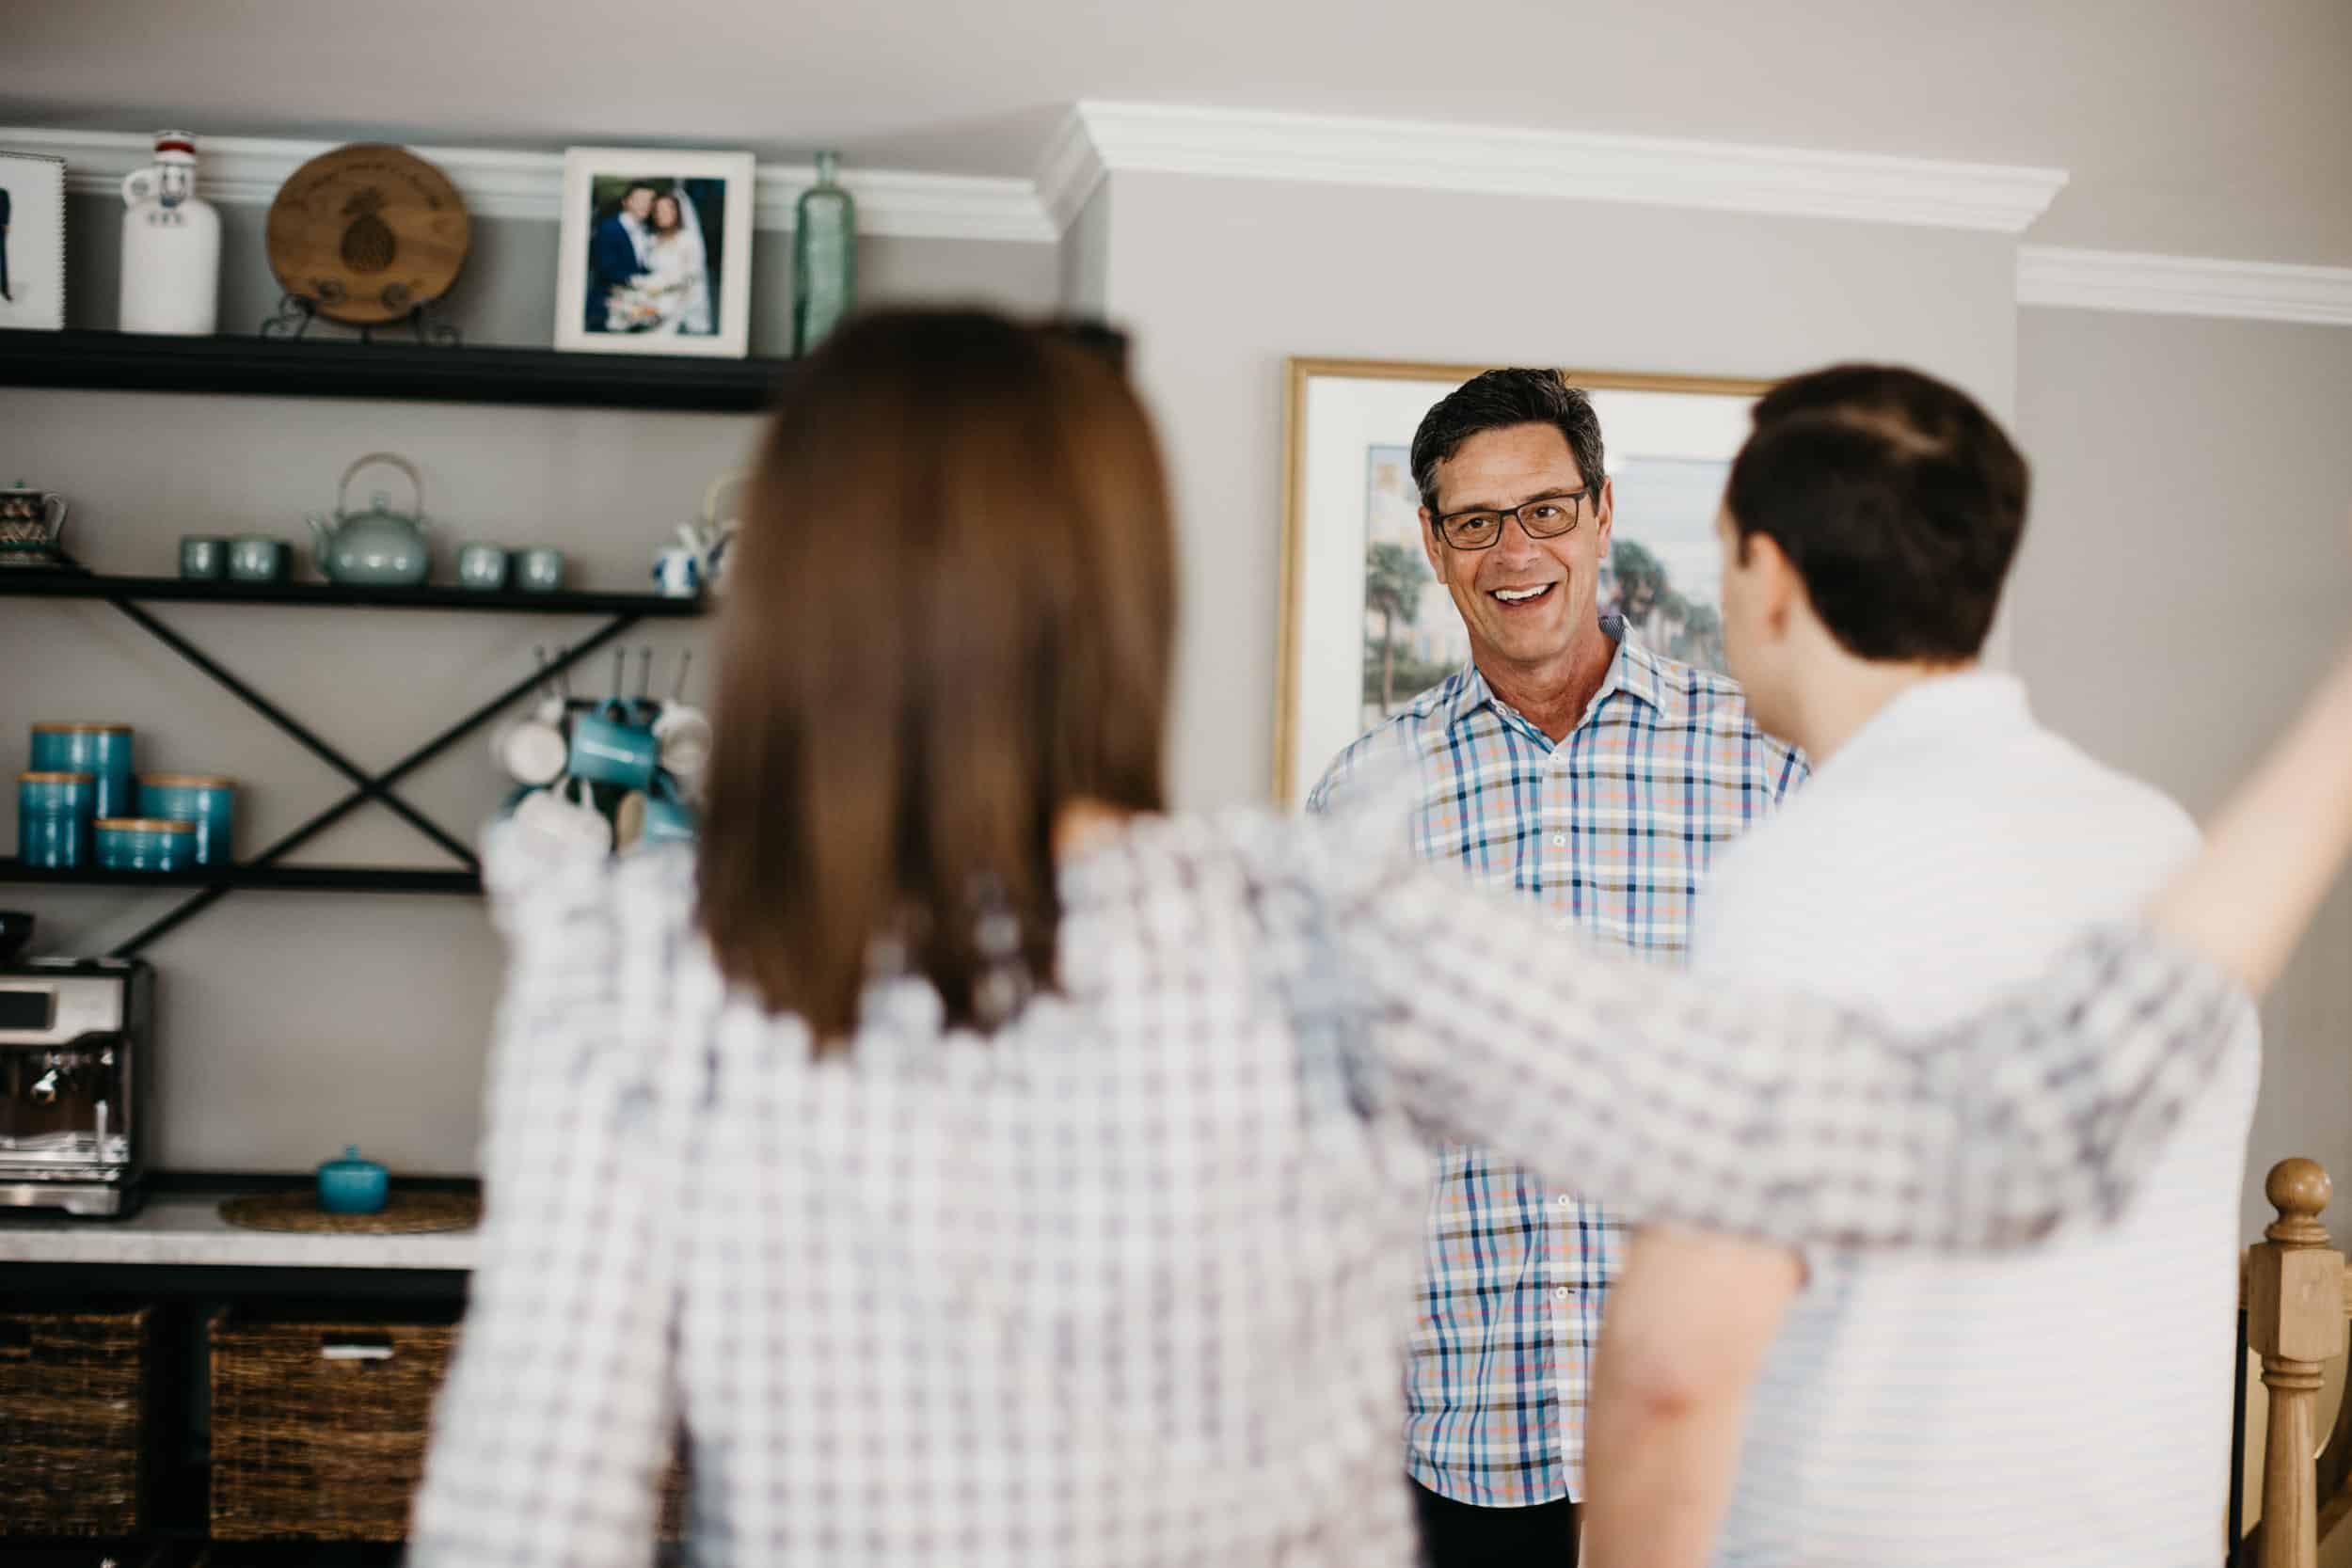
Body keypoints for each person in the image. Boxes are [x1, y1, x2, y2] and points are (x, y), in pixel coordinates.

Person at [408, 308, 2352, 1568]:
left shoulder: (636, 973)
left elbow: (528, 1519)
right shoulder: (1325, 922)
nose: (1508, 552)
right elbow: (1997, 1131)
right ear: (1126, 586)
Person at [1582, 366, 2260, 1568]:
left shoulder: (1803, 873)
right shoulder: (2161, 842)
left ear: (1772, 579)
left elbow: (1680, 1358)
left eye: (1726, 552)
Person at [1307, 368, 1803, 1566]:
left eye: (1542, 509)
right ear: (1431, 542)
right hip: (1465, 1452)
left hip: (1722, 1442)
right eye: (1472, 521)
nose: (1511, 550)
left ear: (1598, 513)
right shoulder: (1362, 801)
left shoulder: (1764, 761)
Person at [586, 181, 657, 333]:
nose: (646, 205)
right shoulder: (608, 228)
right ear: (626, 202)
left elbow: (642, 264)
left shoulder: (647, 231)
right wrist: (640, 282)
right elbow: (605, 268)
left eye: (650, 201)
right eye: (640, 200)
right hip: (606, 307)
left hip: (637, 308)